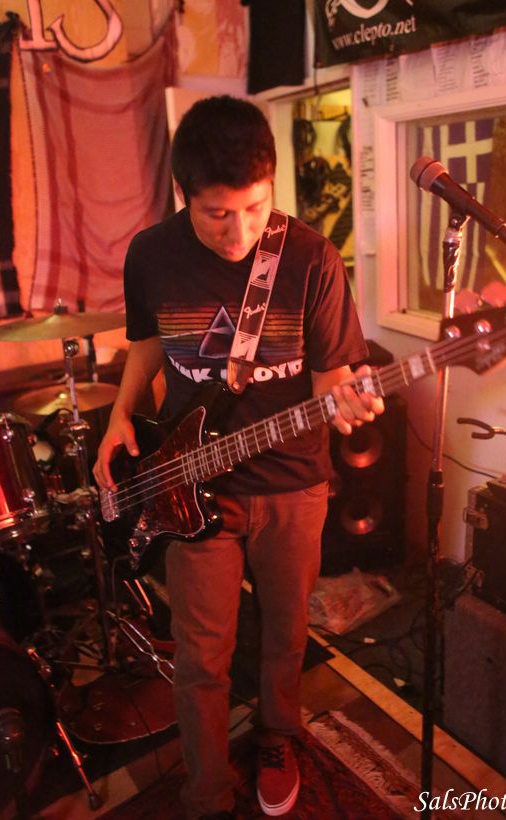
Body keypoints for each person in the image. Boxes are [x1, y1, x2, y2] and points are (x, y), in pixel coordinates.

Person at [93, 95, 384, 820]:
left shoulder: (311, 257)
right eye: (218, 214)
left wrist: (349, 400)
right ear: (183, 193)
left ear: (271, 185)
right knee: (201, 656)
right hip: (190, 484)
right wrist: (121, 414)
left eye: (255, 208)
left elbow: (332, 378)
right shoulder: (151, 254)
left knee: (286, 635)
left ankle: (280, 736)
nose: (240, 232)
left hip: (292, 484)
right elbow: (148, 344)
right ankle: (206, 790)